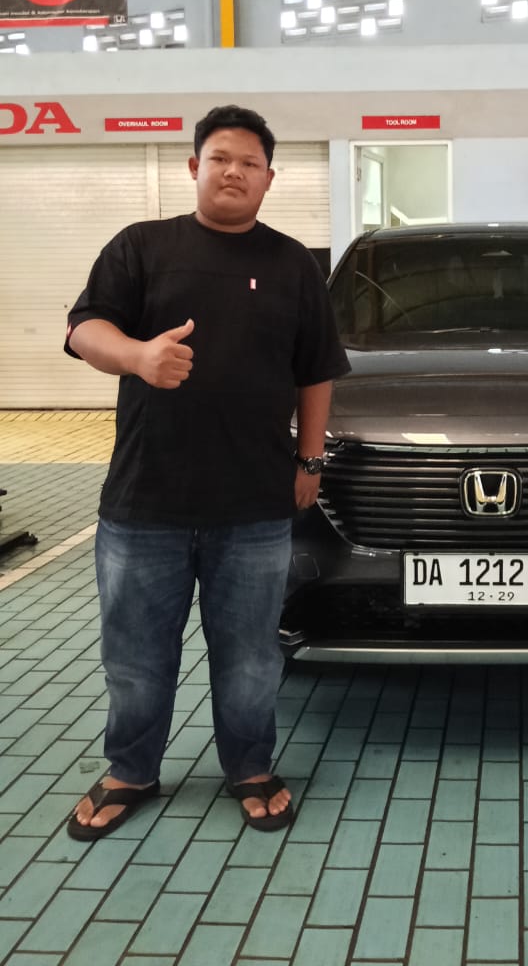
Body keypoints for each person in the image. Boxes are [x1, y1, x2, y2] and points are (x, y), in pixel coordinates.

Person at [64, 105, 349, 841]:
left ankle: (250, 767)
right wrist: (138, 356)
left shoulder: (292, 264)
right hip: (144, 502)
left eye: (250, 163)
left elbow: (316, 371)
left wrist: (311, 459)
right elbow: (85, 328)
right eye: (220, 158)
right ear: (195, 167)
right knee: (135, 656)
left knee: (250, 656)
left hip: (254, 503)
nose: (234, 172)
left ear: (269, 179)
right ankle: (131, 770)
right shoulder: (141, 247)